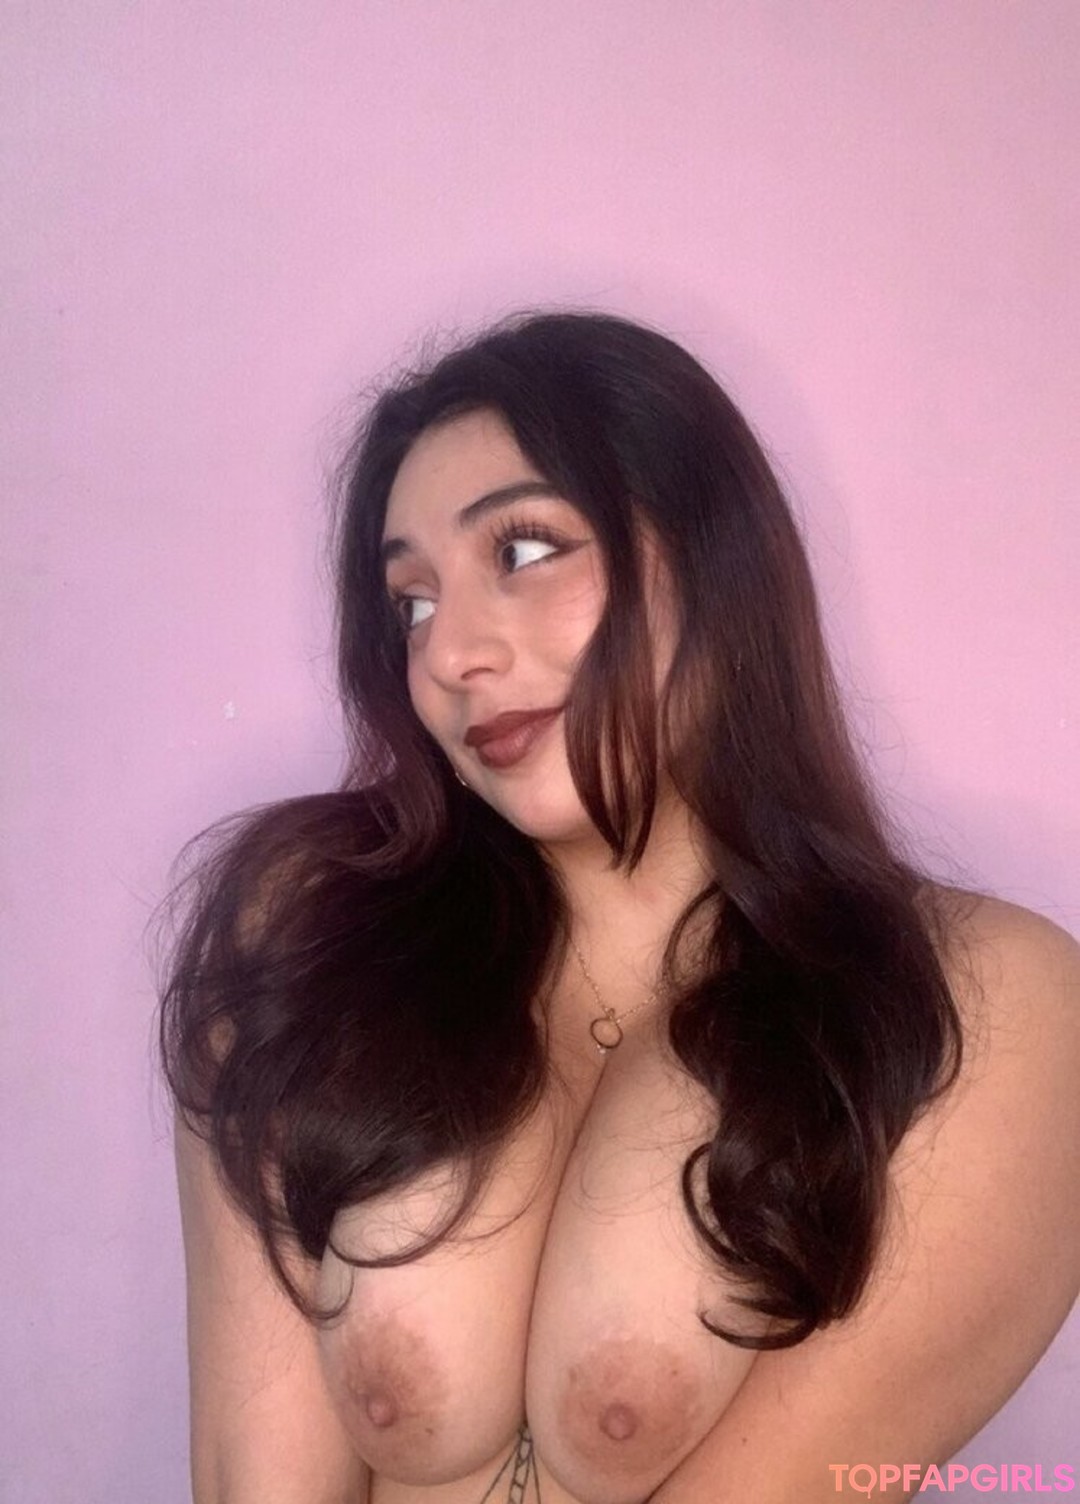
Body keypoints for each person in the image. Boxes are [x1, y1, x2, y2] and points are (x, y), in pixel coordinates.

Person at [160, 310, 1080, 1504]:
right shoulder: (305, 933)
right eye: (412, 602)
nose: (450, 655)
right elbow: (253, 1479)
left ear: (713, 558)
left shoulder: (982, 1004)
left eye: (524, 549)